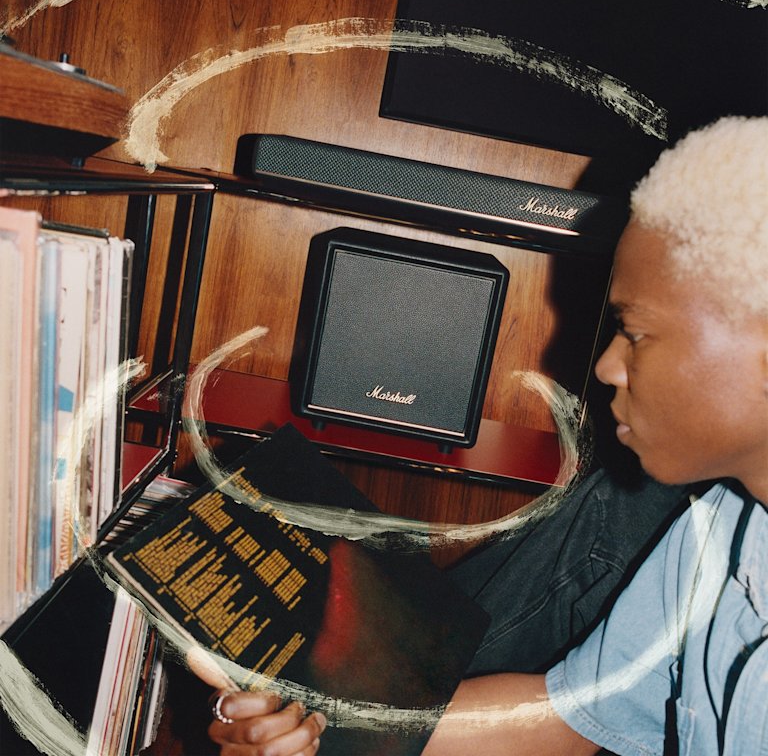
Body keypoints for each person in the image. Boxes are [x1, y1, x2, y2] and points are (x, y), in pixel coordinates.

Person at [201, 115, 768, 755]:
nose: (607, 366)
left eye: (634, 332)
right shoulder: (719, 528)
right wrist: (314, 723)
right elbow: (568, 717)